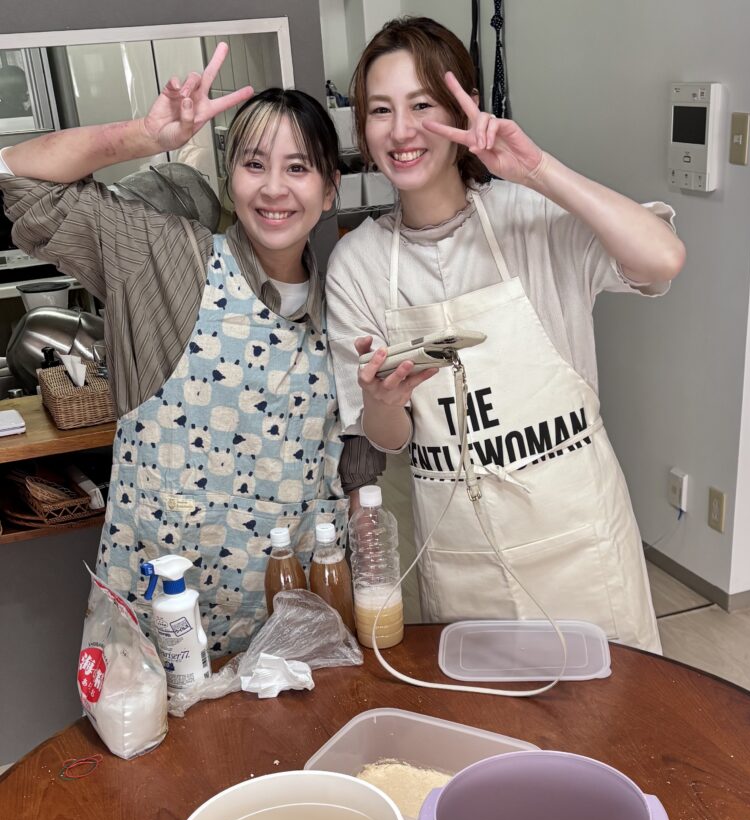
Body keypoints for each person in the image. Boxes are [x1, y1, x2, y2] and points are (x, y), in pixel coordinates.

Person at [0, 44, 382, 656]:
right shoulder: (165, 259)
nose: (274, 188)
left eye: (299, 168)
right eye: (254, 164)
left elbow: (359, 470)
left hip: (293, 638)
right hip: (159, 639)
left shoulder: (346, 305)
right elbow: (18, 178)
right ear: (230, 179)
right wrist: (142, 136)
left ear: (331, 188)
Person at [326, 18, 686, 653]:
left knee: (609, 709)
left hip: (580, 548)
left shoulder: (532, 218)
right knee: (483, 714)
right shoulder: (357, 264)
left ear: (464, 108)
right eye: (380, 110)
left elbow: (662, 260)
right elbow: (388, 437)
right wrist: (383, 401)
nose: (401, 130)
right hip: (463, 561)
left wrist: (538, 170)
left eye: (422, 105)